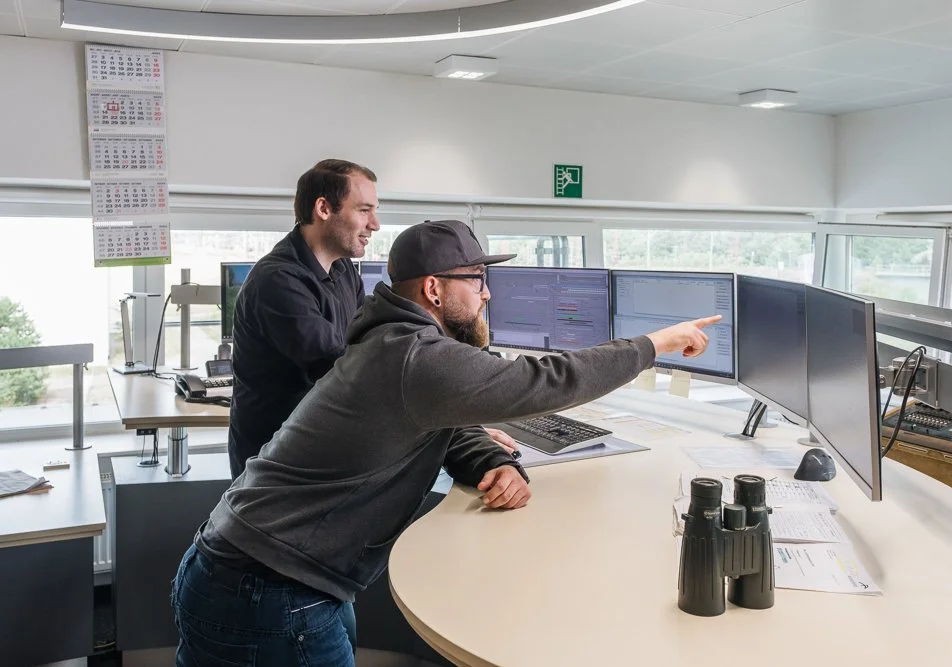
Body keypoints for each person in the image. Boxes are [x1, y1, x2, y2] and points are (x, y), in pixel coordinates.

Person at [172, 220, 721, 667]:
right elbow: (547, 380)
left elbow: (446, 420)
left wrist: (493, 460)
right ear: (433, 289)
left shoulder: (394, 343)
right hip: (269, 591)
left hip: (255, 571)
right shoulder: (415, 356)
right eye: (476, 279)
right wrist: (655, 344)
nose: (487, 293)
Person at [226, 159, 378, 477]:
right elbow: (342, 368)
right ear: (323, 208)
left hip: (321, 450)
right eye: (364, 210)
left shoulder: (344, 271)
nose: (374, 224)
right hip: (274, 467)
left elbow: (368, 343)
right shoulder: (277, 280)